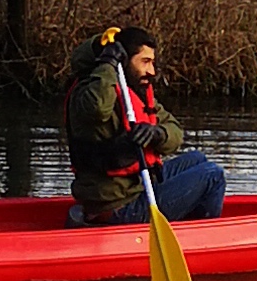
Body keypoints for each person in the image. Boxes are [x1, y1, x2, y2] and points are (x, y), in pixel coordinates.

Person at [62, 25, 225, 227]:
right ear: (122, 63)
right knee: (212, 175)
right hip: (119, 206)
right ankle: (200, 238)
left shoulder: (134, 93)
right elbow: (97, 109)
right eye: (145, 62)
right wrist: (108, 64)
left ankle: (185, 222)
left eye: (152, 62)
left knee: (197, 159)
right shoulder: (90, 93)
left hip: (136, 187)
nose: (152, 71)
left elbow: (175, 130)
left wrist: (158, 134)